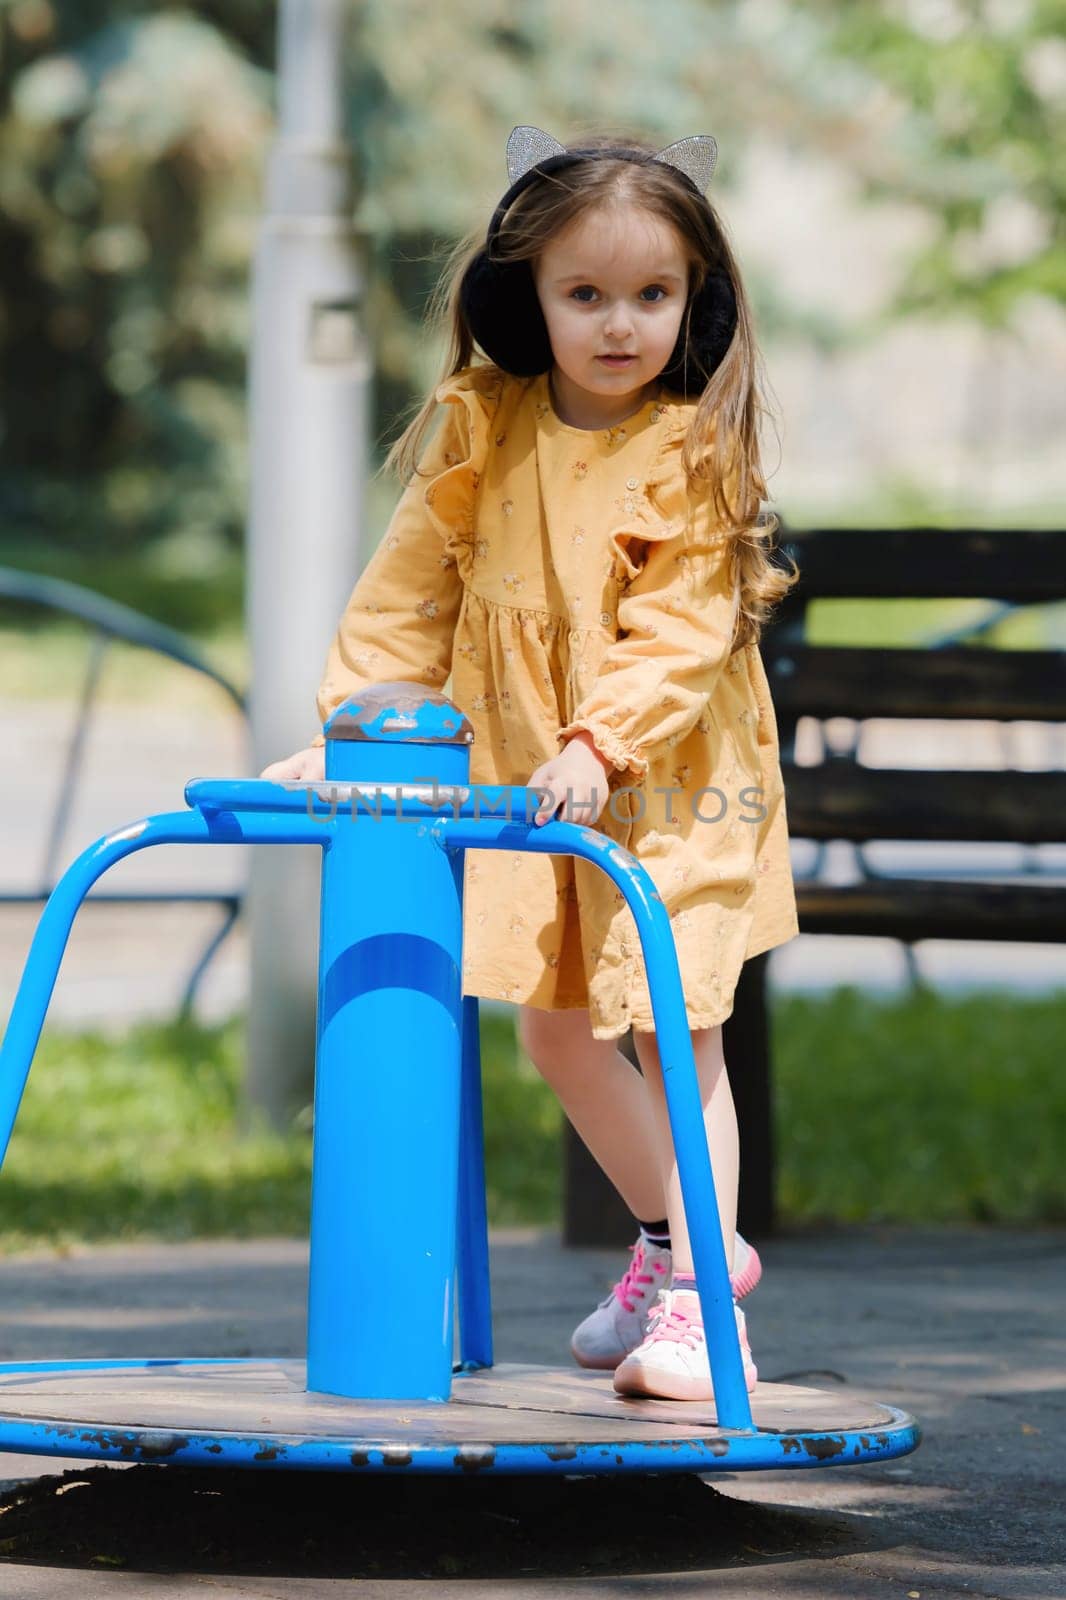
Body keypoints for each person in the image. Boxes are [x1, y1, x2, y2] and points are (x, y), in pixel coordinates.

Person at [261, 124, 801, 1403]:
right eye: (587, 294)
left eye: (652, 295)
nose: (620, 323)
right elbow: (407, 598)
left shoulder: (690, 448)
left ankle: (699, 1304)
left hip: (667, 778)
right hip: (527, 776)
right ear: (530, 296)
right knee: (556, 1036)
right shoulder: (481, 426)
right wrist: (354, 728)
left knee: (681, 1032)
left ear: (696, 298)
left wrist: (597, 739)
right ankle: (680, 1245)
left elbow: (682, 634)